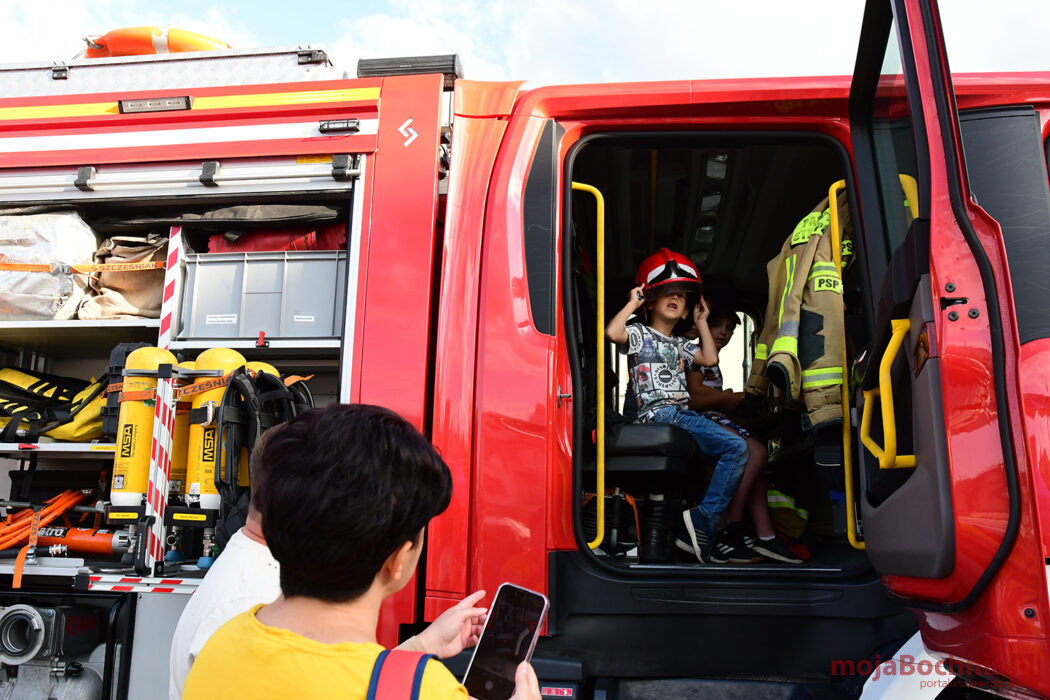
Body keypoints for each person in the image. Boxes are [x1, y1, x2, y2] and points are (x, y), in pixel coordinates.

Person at [182, 403, 540, 699]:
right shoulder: (429, 690)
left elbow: (326, 679)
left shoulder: (221, 646)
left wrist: (421, 645)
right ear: (397, 559)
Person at [605, 248, 748, 563]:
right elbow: (613, 333)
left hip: (681, 415)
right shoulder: (639, 333)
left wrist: (703, 320)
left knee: (731, 451)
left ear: (686, 312)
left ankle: (695, 523)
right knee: (736, 448)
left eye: (682, 297)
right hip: (659, 414)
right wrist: (633, 302)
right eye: (667, 293)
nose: (675, 298)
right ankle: (702, 521)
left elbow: (709, 359)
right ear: (650, 303)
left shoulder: (682, 345)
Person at [685, 306, 802, 564]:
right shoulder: (695, 355)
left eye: (729, 329)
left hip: (712, 417)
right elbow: (694, 397)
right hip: (695, 420)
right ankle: (730, 526)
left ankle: (765, 535)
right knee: (755, 452)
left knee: (756, 463)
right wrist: (730, 397)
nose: (723, 333)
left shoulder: (712, 361)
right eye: (718, 326)